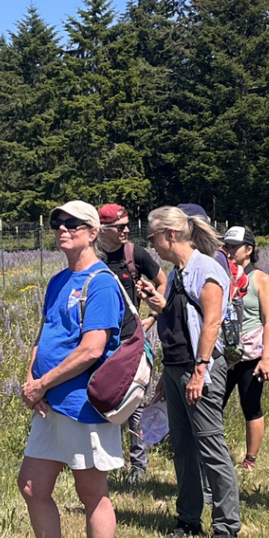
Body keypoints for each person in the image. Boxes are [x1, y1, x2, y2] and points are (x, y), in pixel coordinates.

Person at [12, 200, 125, 538]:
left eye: (73, 224)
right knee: (32, 485)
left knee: (91, 492)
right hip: (49, 402)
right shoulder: (59, 280)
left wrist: (42, 383)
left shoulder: (102, 283)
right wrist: (31, 382)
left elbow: (92, 348)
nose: (63, 229)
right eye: (58, 223)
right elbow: (44, 336)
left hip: (82, 403)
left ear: (93, 232)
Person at [137, 206, 242, 538]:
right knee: (182, 447)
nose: (151, 245)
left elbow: (211, 322)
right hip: (175, 368)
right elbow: (182, 316)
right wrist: (157, 302)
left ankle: (227, 527)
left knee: (211, 446)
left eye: (152, 238)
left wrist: (200, 371)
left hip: (200, 370)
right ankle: (188, 518)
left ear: (170, 234)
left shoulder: (206, 269)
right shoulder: (178, 271)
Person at [97, 203, 167, 484]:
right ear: (102, 230)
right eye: (119, 226)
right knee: (101, 398)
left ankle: (138, 466)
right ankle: (103, 461)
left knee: (135, 400)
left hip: (133, 339)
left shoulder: (134, 253)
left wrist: (151, 317)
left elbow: (162, 282)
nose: (126, 230)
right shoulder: (93, 257)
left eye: (127, 224)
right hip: (100, 341)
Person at [221, 226, 269, 469]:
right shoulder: (221, 275)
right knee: (213, 404)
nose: (229, 251)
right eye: (227, 246)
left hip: (250, 354)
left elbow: (268, 320)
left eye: (234, 246)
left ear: (249, 250)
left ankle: (250, 460)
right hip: (222, 352)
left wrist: (266, 357)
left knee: (250, 404)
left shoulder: (260, 279)